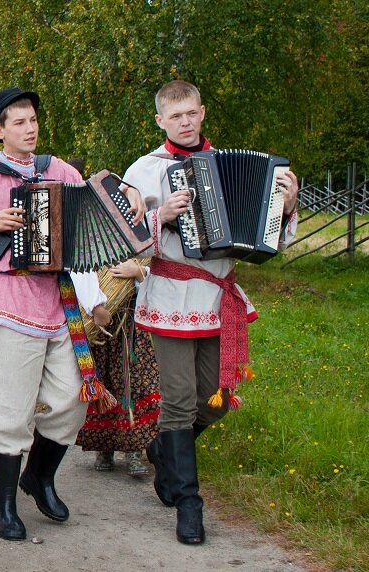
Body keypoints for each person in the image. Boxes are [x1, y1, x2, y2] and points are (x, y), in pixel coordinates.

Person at [0, 87, 144, 542]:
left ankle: (39, 476)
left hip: (59, 301)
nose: (30, 129)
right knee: (10, 407)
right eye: (20, 123)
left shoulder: (59, 170)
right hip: (11, 300)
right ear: (0, 131)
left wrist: (130, 194)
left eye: (33, 121)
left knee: (72, 397)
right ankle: (4, 507)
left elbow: (97, 204)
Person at [122, 79, 299, 545]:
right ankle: (188, 503)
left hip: (219, 297)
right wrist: (160, 218)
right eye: (174, 116)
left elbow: (270, 237)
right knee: (179, 401)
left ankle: (164, 449)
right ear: (160, 120)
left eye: (191, 114)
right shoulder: (143, 171)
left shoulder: (232, 165)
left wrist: (290, 203)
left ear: (202, 113)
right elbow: (122, 240)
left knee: (214, 402)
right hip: (169, 297)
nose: (184, 122)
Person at [70, 266, 159, 476]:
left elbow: (155, 267)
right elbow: (81, 270)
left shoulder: (141, 237)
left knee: (133, 381)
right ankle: (104, 446)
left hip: (130, 319)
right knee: (104, 379)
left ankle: (134, 448)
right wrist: (95, 304)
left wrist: (139, 272)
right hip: (98, 321)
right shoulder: (91, 240)